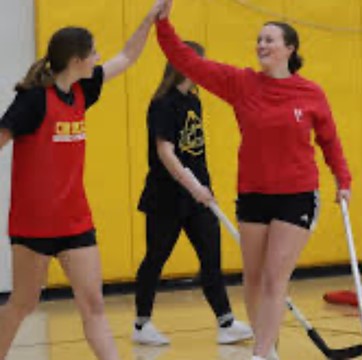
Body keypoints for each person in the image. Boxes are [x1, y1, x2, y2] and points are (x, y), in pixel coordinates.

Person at [153, 1, 352, 359]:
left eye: (270, 40)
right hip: (253, 194)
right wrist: (164, 24)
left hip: (297, 196)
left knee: (276, 278)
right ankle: (268, 348)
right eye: (259, 40)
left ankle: (259, 354)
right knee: (255, 278)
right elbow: (188, 62)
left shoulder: (311, 93)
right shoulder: (240, 83)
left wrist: (344, 179)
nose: (261, 45)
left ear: (289, 49)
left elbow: (329, 141)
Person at [0, 1, 166, 359]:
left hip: (75, 221)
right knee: (22, 304)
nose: (98, 57)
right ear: (76, 60)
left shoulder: (82, 90)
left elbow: (126, 57)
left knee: (94, 306)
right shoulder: (32, 102)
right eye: (93, 52)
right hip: (33, 225)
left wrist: (149, 19)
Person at [133, 40, 252, 346]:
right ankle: (141, 324)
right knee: (156, 258)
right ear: (183, 64)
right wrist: (192, 185)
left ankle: (226, 322)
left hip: (199, 197)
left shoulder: (193, 101)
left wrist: (204, 188)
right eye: (199, 63)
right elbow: (166, 152)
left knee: (211, 257)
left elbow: (195, 151)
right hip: (167, 197)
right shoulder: (163, 103)